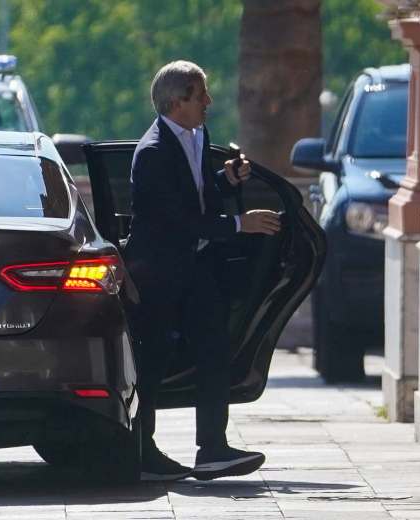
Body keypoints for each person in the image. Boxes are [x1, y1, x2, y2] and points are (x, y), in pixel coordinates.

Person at [124, 60, 281, 481]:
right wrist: (239, 223)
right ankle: (142, 452)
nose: (208, 102)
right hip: (157, 271)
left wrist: (225, 180)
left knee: (214, 348)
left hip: (194, 266)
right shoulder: (153, 151)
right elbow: (177, 219)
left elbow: (196, 193)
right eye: (201, 96)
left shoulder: (197, 134)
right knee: (153, 360)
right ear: (177, 102)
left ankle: (212, 448)